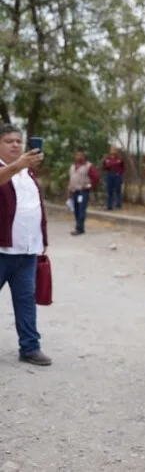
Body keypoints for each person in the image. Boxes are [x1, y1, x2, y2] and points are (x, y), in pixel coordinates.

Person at [0, 124, 51, 366]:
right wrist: (17, 165)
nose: (15, 145)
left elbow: (34, 208)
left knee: (26, 301)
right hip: (1, 251)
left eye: (18, 141)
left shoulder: (28, 173)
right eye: (8, 141)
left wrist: (41, 240)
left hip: (26, 252)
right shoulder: (12, 169)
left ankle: (30, 347)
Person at [67, 148, 99, 236]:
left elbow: (96, 177)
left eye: (81, 155)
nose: (78, 157)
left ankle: (79, 228)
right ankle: (80, 227)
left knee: (81, 210)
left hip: (83, 192)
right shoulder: (73, 166)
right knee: (76, 210)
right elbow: (71, 178)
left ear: (84, 156)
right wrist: (69, 188)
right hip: (74, 191)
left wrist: (89, 186)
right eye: (77, 155)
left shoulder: (88, 166)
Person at [102, 145, 125, 210]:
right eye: (112, 149)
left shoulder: (119, 158)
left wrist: (120, 174)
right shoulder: (107, 158)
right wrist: (106, 165)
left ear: (116, 151)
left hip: (117, 175)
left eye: (114, 149)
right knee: (110, 191)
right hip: (109, 175)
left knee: (118, 190)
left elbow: (123, 167)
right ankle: (109, 205)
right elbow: (104, 167)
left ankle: (118, 205)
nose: (113, 150)